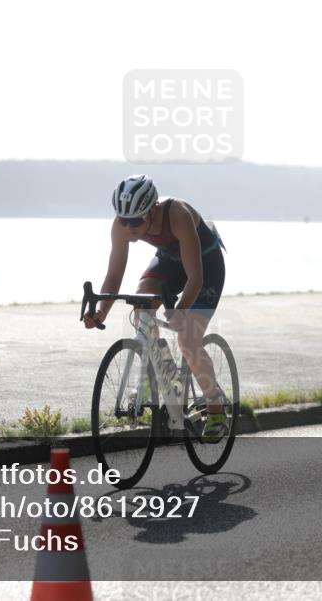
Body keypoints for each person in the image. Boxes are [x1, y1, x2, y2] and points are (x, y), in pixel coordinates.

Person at [83, 174, 229, 442]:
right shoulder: (122, 225)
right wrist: (101, 312)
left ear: (152, 210)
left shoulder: (178, 215)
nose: (129, 228)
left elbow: (195, 278)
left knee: (187, 339)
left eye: (135, 221)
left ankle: (216, 403)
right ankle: (163, 375)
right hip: (170, 262)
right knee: (141, 305)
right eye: (123, 221)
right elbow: (114, 278)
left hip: (206, 267)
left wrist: (180, 312)